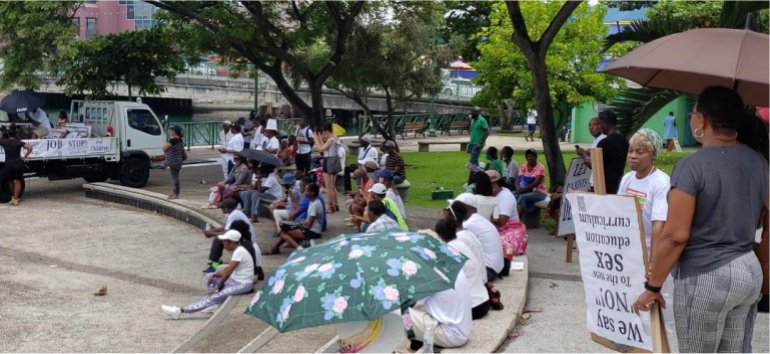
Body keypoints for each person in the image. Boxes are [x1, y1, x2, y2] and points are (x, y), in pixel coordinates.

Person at [633, 86, 768, 353]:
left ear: (702, 120)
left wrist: (653, 285)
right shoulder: (758, 161)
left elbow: (675, 235)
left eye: (693, 112)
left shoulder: (692, 166)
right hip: (749, 272)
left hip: (707, 273)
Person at [161, 230, 254, 319]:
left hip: (242, 283)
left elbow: (227, 272)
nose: (223, 244)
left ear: (232, 243)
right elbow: (227, 269)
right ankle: (213, 305)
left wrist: (217, 287)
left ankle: (179, 311)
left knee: (215, 295)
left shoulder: (239, 252)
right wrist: (214, 275)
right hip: (234, 280)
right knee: (210, 277)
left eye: (225, 242)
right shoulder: (237, 250)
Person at [400, 270, 472, 352]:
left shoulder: (430, 274)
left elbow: (409, 303)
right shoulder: (451, 267)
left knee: (394, 311)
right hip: (461, 330)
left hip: (449, 335)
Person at [435, 217, 490, 320]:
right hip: (484, 301)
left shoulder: (447, 251)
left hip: (472, 307)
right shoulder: (462, 245)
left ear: (440, 236)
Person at [451, 193, 503, 282]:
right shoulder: (478, 219)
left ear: (468, 208)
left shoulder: (469, 224)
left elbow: (454, 244)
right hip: (496, 267)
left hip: (488, 270)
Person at [202, 198, 262, 276]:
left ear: (226, 209)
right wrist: (213, 230)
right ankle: (215, 262)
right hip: (246, 239)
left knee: (218, 239)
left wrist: (212, 233)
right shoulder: (236, 213)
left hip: (246, 239)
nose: (221, 210)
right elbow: (226, 227)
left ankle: (214, 264)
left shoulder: (234, 215)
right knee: (219, 238)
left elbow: (227, 232)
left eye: (222, 208)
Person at [577, 110, 629, 194]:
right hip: (619, 184)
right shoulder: (624, 140)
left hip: (605, 187)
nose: (600, 127)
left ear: (606, 123)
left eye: (601, 124)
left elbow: (593, 164)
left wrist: (582, 153)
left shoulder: (605, 143)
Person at [266, 183, 324, 255]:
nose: (304, 192)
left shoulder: (315, 205)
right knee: (284, 229)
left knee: (282, 232)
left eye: (306, 191)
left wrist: (302, 223)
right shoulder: (313, 202)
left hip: (313, 232)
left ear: (312, 193)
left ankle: (299, 249)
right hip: (312, 229)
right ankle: (276, 248)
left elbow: (308, 224)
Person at [0, 128, 33, 206]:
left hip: (8, 163)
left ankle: (12, 198)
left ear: (8, 134)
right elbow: (30, 148)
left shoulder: (5, 142)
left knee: (10, 181)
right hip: (17, 163)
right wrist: (25, 157)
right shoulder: (19, 142)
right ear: (15, 134)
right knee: (17, 181)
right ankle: (16, 198)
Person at [314, 123, 341, 213]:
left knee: (328, 186)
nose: (323, 135)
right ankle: (335, 205)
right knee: (332, 186)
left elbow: (321, 149)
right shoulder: (335, 138)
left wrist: (315, 139)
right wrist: (318, 139)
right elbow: (325, 148)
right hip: (334, 160)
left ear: (327, 131)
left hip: (329, 161)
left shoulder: (330, 140)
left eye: (324, 133)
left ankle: (331, 207)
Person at [515, 149, 547, 218]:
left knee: (522, 197)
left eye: (532, 156)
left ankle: (517, 221)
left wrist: (522, 190)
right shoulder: (523, 166)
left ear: (535, 157)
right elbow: (518, 179)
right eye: (528, 156)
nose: (530, 158)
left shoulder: (540, 167)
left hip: (539, 192)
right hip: (525, 190)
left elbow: (536, 182)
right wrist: (518, 188)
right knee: (512, 195)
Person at [163, 125, 185, 200]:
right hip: (178, 160)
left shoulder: (173, 140)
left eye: (172, 130)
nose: (170, 131)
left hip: (173, 161)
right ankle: (174, 192)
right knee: (175, 177)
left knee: (175, 178)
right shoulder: (180, 140)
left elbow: (164, 148)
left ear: (174, 132)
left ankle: (176, 193)